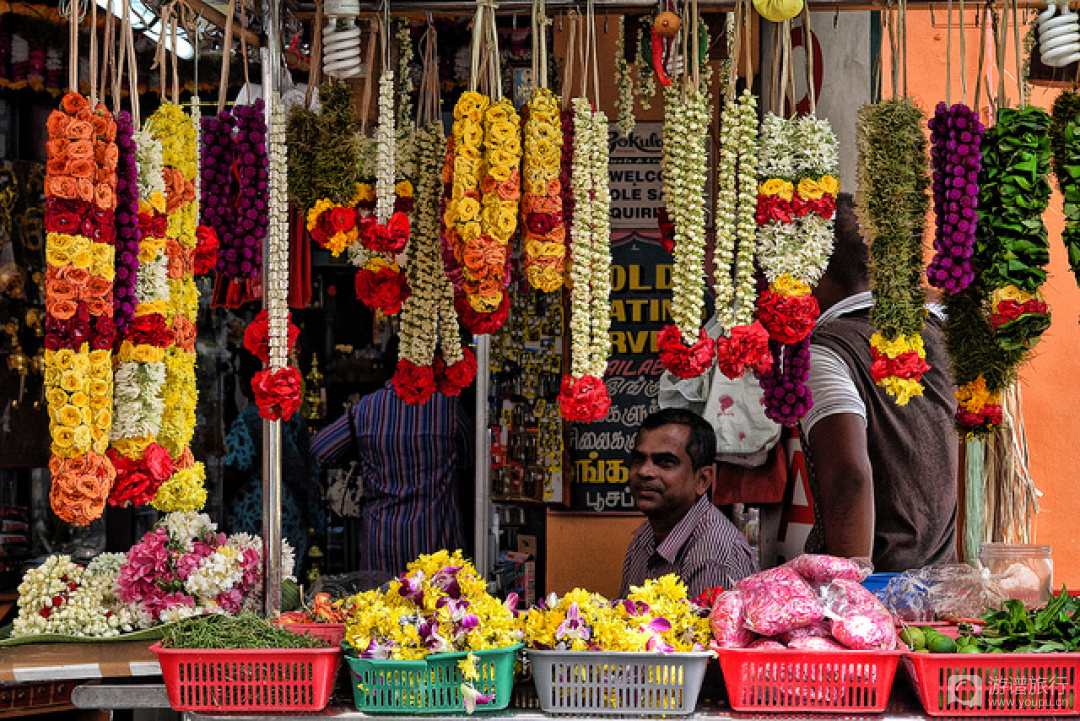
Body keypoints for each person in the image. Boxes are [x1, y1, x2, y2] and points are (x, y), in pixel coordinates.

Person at [800, 192, 958, 571]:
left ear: (810, 267)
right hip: (941, 578)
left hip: (877, 590)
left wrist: (846, 599)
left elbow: (848, 478)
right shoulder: (940, 328)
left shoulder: (827, 350)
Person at [310, 345, 471, 576]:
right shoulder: (446, 407)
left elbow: (320, 448)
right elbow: (469, 458)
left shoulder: (366, 409)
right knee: (442, 610)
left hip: (383, 544)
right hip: (436, 542)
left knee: (381, 609)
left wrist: (362, 451)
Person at [621, 407, 759, 599]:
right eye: (639, 459)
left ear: (702, 480)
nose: (645, 471)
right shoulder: (645, 536)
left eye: (665, 462)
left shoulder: (714, 554)